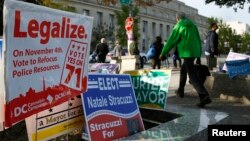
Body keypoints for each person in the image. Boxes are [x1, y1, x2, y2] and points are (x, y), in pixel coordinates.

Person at [159, 12, 212, 107]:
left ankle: (204, 96)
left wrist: (163, 52)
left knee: (192, 76)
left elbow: (171, 40)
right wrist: (198, 56)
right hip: (193, 52)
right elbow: (198, 40)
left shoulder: (179, 26)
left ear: (177, 19)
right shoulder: (193, 26)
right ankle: (180, 90)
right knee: (183, 70)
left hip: (187, 52)